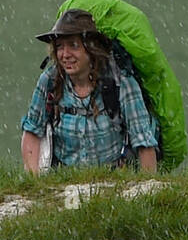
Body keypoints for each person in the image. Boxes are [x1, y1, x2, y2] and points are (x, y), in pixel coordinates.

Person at [21, 9, 159, 174]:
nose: (65, 55)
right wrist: (34, 184)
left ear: (92, 48)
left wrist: (147, 188)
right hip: (63, 182)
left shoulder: (121, 83)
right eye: (59, 47)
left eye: (73, 45)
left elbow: (144, 142)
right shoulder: (49, 81)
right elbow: (32, 132)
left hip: (112, 181)